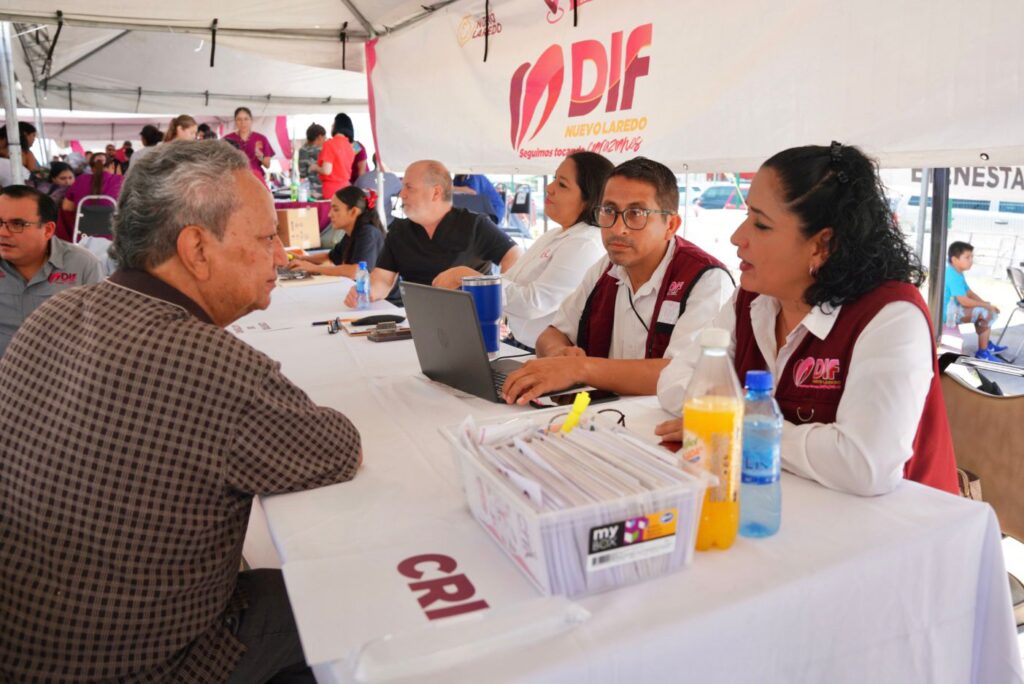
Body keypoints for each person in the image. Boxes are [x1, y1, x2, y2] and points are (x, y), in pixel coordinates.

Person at [0, 141, 362, 682]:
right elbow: (336, 448)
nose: (280, 257)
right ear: (196, 248)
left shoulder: (54, 313)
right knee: (351, 593)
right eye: (267, 238)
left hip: (29, 638)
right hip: (141, 665)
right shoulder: (212, 365)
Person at [655, 142, 959, 496]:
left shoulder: (891, 316)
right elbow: (676, 380)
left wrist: (734, 427)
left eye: (761, 225)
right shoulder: (754, 297)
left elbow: (864, 463)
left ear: (821, 244)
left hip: (901, 533)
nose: (738, 237)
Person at [500, 157, 734, 405]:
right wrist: (561, 356)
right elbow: (552, 333)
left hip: (665, 427)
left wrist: (580, 368)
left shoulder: (706, 280)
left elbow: (682, 374)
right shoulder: (606, 268)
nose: (618, 228)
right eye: (609, 211)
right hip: (600, 420)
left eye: (636, 214)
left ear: (671, 225)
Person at [435, 151, 613, 349]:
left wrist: (469, 277)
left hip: (543, 355)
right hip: (517, 344)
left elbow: (534, 303)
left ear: (589, 199)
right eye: (554, 179)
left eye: (562, 185)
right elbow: (510, 280)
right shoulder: (554, 235)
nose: (549, 187)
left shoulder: (585, 244)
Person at [344, 159, 522, 307]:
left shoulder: (474, 225)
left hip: (471, 320)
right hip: (419, 321)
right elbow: (382, 280)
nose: (402, 194)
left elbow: (513, 255)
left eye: (409, 187)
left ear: (436, 192)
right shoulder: (400, 231)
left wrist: (502, 303)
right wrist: (366, 291)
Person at [0, 185, 102, 357]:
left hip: (61, 374)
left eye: (17, 224)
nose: (3, 232)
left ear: (47, 230)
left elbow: (98, 330)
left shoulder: (82, 265)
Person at [288, 187, 398, 299]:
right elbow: (330, 256)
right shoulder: (352, 233)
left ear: (354, 211)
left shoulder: (368, 233)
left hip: (386, 301)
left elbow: (356, 270)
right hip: (362, 295)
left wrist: (313, 268)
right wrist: (302, 259)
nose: (329, 215)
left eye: (335, 209)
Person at [944, 241, 1005, 360]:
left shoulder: (956, 272)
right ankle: (983, 353)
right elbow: (964, 301)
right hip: (948, 314)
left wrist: (987, 304)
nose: (971, 260)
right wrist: (987, 307)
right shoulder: (952, 274)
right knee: (985, 313)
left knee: (986, 310)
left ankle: (986, 345)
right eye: (967, 257)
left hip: (953, 309)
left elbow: (969, 293)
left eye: (972, 257)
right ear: (955, 259)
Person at [62, 151, 125, 221]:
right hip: (114, 229)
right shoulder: (121, 180)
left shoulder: (80, 179)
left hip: (83, 229)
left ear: (91, 168)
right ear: (112, 166)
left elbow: (67, 207)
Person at [224, 106, 275, 183]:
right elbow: (221, 162)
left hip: (256, 179)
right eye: (239, 119)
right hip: (234, 180)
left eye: (246, 119)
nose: (243, 123)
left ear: (251, 120)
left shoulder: (261, 138)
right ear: (235, 121)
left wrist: (261, 157)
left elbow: (268, 165)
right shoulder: (227, 139)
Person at [317, 113, 357, 200]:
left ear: (337, 125)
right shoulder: (351, 147)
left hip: (331, 189)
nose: (332, 125)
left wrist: (315, 167)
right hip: (346, 188)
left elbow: (326, 170)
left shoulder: (329, 144)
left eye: (333, 123)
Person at [355, 152, 402, 227]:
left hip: (365, 221)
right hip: (387, 221)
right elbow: (401, 196)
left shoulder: (362, 178)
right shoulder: (393, 178)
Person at [298, 123, 326, 199]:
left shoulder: (303, 150)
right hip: (326, 189)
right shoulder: (325, 149)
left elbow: (302, 173)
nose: (325, 139)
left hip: (311, 192)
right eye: (324, 137)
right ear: (320, 137)